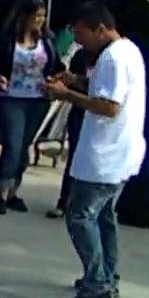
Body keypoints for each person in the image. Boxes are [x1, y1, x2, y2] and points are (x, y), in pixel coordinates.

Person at [44, 2, 146, 298]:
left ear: (100, 28)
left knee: (80, 215)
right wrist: (76, 81)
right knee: (103, 216)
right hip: (123, 152)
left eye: (82, 34)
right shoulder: (129, 51)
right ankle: (106, 276)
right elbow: (107, 92)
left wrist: (65, 95)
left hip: (106, 153)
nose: (79, 42)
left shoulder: (112, 58)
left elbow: (109, 106)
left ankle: (97, 283)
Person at [0, 0, 60, 214]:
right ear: (24, 17)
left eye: (43, 17)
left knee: (24, 145)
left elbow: (56, 64)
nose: (40, 21)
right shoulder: (8, 39)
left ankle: (14, 191)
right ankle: (1, 192)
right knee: (13, 144)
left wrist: (54, 80)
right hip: (11, 98)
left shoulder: (47, 39)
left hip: (37, 99)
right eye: (36, 16)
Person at [47, 45, 97, 219]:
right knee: (75, 158)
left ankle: (88, 203)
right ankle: (64, 201)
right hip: (79, 112)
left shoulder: (110, 58)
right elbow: (73, 87)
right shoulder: (81, 55)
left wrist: (77, 80)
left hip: (99, 117)